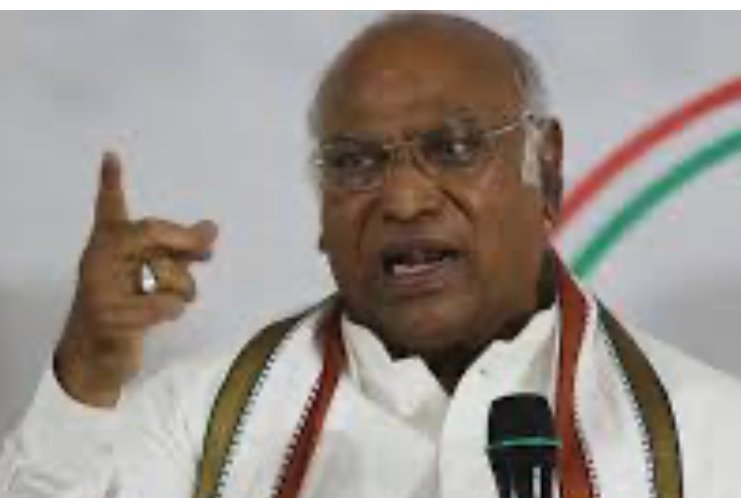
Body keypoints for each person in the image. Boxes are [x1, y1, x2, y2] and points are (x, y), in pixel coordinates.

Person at [1, 12, 740, 498]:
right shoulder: (198, 421)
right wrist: (88, 371)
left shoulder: (709, 434)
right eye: (355, 163)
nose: (405, 200)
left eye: (453, 149)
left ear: (545, 167)